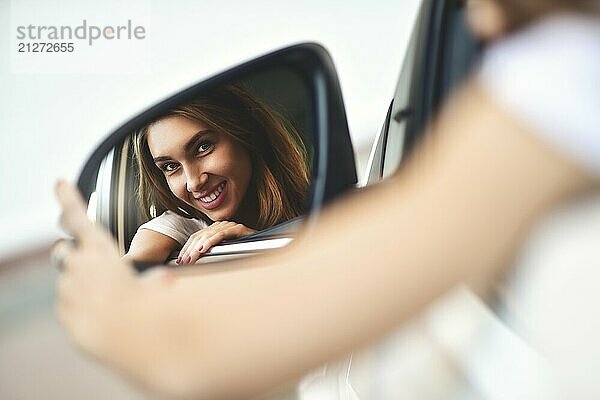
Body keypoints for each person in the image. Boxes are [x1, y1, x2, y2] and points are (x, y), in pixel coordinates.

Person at [54, 0, 600, 399]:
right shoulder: (174, 225)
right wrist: (114, 269)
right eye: (170, 167)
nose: (483, 19)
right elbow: (139, 261)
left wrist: (95, 301)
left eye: (203, 147)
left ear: (243, 138)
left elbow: (187, 354)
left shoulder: (563, 75)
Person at [124, 84, 310, 265]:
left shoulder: (318, 201)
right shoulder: (182, 227)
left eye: (203, 147)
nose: (193, 183)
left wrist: (253, 241)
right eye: (171, 166)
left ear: (245, 132)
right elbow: (126, 271)